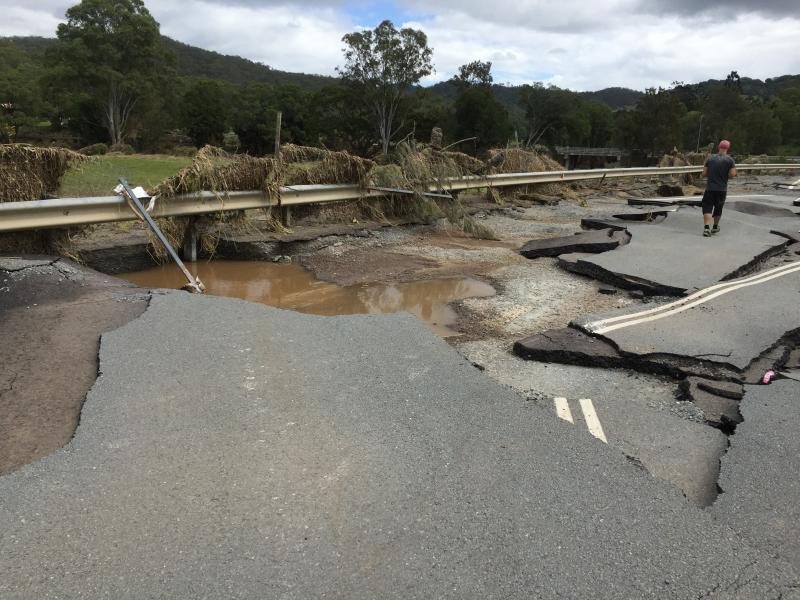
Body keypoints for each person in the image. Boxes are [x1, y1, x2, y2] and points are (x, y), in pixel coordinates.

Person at [701, 140, 737, 236]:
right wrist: (726, 174)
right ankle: (715, 226)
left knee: (707, 207)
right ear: (727, 148)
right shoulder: (730, 160)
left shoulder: (710, 159)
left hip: (710, 188)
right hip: (721, 189)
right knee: (718, 208)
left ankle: (706, 228)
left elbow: (704, 173)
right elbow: (733, 174)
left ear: (719, 147)